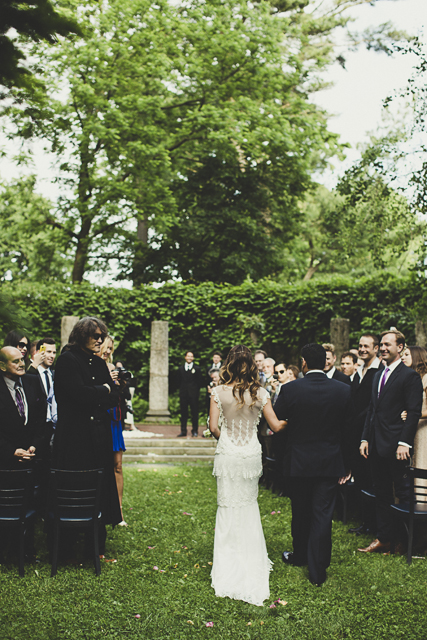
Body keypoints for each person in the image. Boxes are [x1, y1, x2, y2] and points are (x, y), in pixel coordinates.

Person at [209, 345, 286, 606]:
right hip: (251, 452)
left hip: (229, 454)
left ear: (229, 364)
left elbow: (212, 427)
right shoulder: (261, 393)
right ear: (252, 365)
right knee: (249, 505)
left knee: (228, 506)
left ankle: (228, 561)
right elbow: (275, 426)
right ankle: (250, 557)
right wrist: (293, 418)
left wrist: (228, 441)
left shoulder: (218, 392)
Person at [274, 343, 352, 586]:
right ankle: (317, 571)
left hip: (298, 462)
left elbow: (278, 423)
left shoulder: (291, 389)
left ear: (304, 363)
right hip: (329, 462)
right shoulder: (343, 390)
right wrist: (347, 464)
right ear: (326, 362)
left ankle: (299, 556)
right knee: (322, 514)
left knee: (301, 511)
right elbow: (349, 430)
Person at [52, 316, 122, 559]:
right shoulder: (67, 360)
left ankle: (96, 547)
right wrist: (103, 390)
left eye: (102, 336)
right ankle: (67, 546)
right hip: (73, 439)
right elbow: (78, 395)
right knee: (74, 487)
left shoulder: (98, 362)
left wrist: (103, 393)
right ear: (82, 335)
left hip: (97, 438)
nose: (100, 340)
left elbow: (116, 397)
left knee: (99, 488)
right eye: (96, 336)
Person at [358, 330, 423, 554]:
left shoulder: (409, 376)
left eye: (388, 344)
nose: (383, 348)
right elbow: (372, 411)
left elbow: (413, 412)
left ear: (401, 347)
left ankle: (404, 542)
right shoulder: (378, 374)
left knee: (404, 494)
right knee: (381, 492)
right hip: (376, 444)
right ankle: (383, 538)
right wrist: (365, 437)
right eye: (382, 345)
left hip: (397, 447)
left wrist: (404, 442)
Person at [347, 333, 383, 537]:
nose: (361, 349)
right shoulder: (359, 371)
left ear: (376, 348)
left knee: (371, 480)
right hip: (355, 433)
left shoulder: (379, 371)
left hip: (369, 432)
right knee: (361, 478)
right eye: (360, 346)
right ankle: (365, 521)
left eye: (366, 346)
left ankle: (374, 524)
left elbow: (372, 405)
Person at [0, 347, 46, 469]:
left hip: (32, 456)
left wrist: (34, 444)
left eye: (22, 359)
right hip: (4, 461)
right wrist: (11, 451)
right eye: (15, 361)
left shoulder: (32, 381)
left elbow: (41, 415)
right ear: (3, 366)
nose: (22, 364)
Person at [400, 345, 427, 501]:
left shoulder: (426, 378)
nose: (403, 357)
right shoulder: (410, 379)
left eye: (407, 354)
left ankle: (422, 505)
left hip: (423, 431)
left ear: (417, 357)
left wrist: (414, 415)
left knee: (421, 464)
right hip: (411, 430)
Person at [177, 351, 203, 438]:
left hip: (194, 395)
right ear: (185, 357)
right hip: (183, 394)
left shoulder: (197, 369)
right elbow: (178, 382)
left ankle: (195, 430)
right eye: (188, 356)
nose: (189, 358)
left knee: (194, 413)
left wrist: (195, 391)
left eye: (191, 356)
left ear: (193, 358)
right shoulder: (180, 369)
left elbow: (200, 382)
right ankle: (183, 430)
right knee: (183, 413)